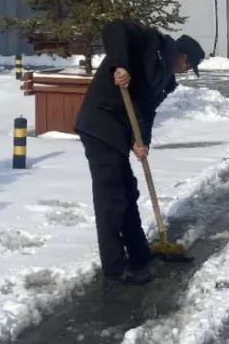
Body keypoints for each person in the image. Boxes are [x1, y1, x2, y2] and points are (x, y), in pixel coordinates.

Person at [75, 20, 206, 284]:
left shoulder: (166, 80)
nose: (186, 70)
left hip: (119, 133)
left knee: (127, 192)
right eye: (189, 65)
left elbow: (146, 112)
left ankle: (139, 254)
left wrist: (141, 140)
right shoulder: (150, 43)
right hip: (100, 124)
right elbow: (114, 28)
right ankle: (115, 268)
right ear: (182, 55)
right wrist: (121, 65)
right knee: (111, 197)